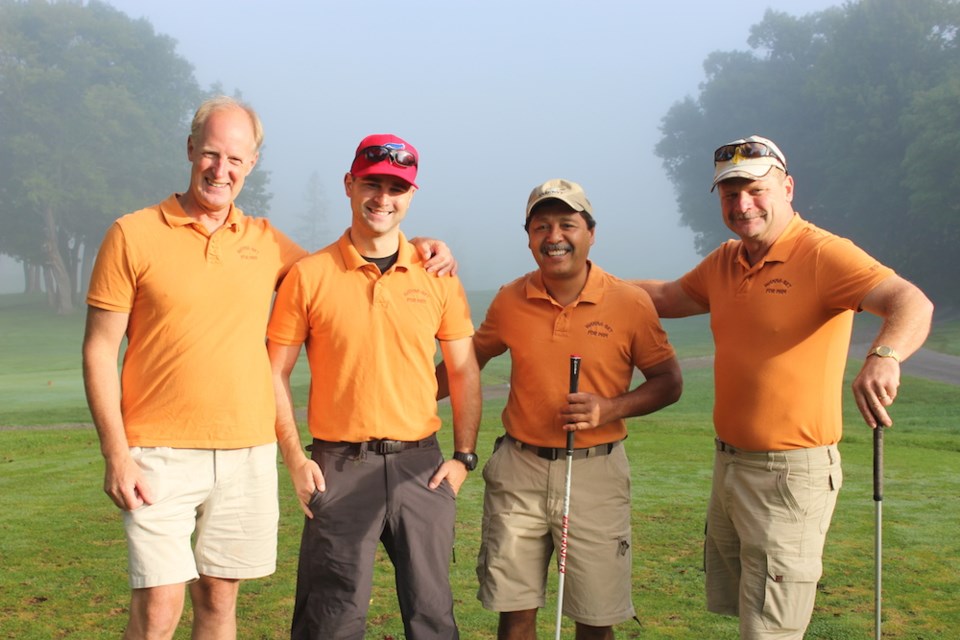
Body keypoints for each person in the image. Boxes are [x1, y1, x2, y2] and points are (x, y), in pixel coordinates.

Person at [81, 99, 456, 640]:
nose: (220, 169)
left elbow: (344, 270)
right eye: (210, 154)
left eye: (235, 158)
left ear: (251, 163)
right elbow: (99, 350)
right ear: (190, 150)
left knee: (217, 599)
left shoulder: (267, 242)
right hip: (155, 453)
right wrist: (116, 454)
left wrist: (414, 247)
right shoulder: (133, 233)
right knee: (159, 607)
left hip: (246, 453)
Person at [635, 135, 934, 639]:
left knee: (772, 628)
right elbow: (664, 297)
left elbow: (911, 301)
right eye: (730, 194)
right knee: (751, 616)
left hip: (790, 476)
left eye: (755, 189)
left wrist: (885, 356)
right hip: (729, 465)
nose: (742, 204)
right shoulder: (726, 260)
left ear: (788, 187)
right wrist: (579, 276)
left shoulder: (822, 253)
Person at [438, 179, 683, 639]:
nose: (554, 236)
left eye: (567, 224)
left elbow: (669, 383)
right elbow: (465, 364)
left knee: (595, 617)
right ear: (529, 236)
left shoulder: (630, 303)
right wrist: (404, 400)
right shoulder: (510, 298)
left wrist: (610, 408)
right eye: (541, 226)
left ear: (591, 233)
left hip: (596, 473)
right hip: (518, 469)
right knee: (513, 612)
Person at [266, 133, 482, 640]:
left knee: (432, 617)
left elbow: (465, 369)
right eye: (372, 183)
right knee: (330, 621)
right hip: (338, 466)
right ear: (349, 184)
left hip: (422, 468)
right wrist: (296, 459)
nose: (383, 198)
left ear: (411, 195)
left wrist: (464, 457)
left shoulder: (437, 275)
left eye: (396, 188)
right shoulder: (309, 275)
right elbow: (273, 370)